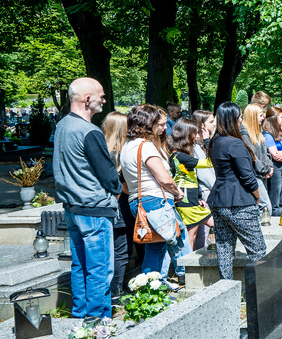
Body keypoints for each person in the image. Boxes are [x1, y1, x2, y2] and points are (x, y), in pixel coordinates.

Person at [53, 78, 122, 323]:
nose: (104, 100)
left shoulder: (62, 125)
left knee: (80, 266)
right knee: (100, 269)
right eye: (101, 96)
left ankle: (81, 314)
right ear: (86, 99)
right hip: (93, 209)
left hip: (73, 208)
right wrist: (115, 189)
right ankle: (97, 320)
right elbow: (108, 174)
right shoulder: (89, 131)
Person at [120, 104, 190, 281]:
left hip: (139, 200)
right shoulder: (145, 146)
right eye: (160, 124)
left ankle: (167, 280)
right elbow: (164, 178)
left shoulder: (128, 146)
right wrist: (176, 192)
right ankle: (152, 287)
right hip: (155, 201)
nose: (165, 128)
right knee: (158, 247)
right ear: (147, 124)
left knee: (165, 240)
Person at [208, 102, 266, 280]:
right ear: (233, 119)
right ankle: (261, 292)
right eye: (240, 116)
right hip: (239, 202)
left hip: (219, 201)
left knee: (224, 249)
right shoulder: (235, 143)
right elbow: (248, 177)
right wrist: (258, 196)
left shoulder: (215, 141)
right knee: (257, 250)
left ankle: (226, 289)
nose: (242, 119)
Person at [168, 118, 214, 254]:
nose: (198, 136)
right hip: (187, 203)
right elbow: (209, 163)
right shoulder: (179, 156)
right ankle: (186, 269)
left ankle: (185, 269)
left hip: (190, 201)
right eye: (195, 133)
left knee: (191, 236)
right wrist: (207, 141)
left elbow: (191, 179)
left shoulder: (178, 155)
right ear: (186, 135)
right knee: (191, 236)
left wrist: (198, 197)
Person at [101, 111, 131, 302]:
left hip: (104, 207)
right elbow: (120, 185)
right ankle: (116, 291)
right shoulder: (118, 155)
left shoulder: (102, 152)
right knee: (121, 251)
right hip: (120, 208)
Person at [241, 103, 273, 215]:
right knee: (266, 207)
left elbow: (266, 152)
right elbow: (253, 156)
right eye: (260, 115)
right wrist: (266, 169)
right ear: (252, 116)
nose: (263, 117)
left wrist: (270, 166)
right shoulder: (245, 134)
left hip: (262, 173)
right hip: (255, 175)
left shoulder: (258, 132)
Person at [263, 110, 282, 215]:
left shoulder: (278, 132)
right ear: (274, 118)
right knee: (276, 197)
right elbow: (275, 156)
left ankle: (281, 216)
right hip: (276, 168)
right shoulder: (267, 135)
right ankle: (274, 219)